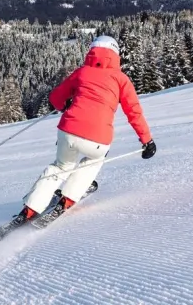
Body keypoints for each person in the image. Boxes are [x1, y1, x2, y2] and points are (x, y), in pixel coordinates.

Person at [18, 35, 156, 221]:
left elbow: (55, 98)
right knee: (93, 161)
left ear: (92, 52)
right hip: (98, 138)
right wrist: (147, 141)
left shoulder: (82, 72)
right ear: (116, 55)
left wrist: (64, 106)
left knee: (60, 166)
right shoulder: (121, 79)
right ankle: (68, 199)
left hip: (68, 131)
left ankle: (30, 209)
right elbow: (134, 113)